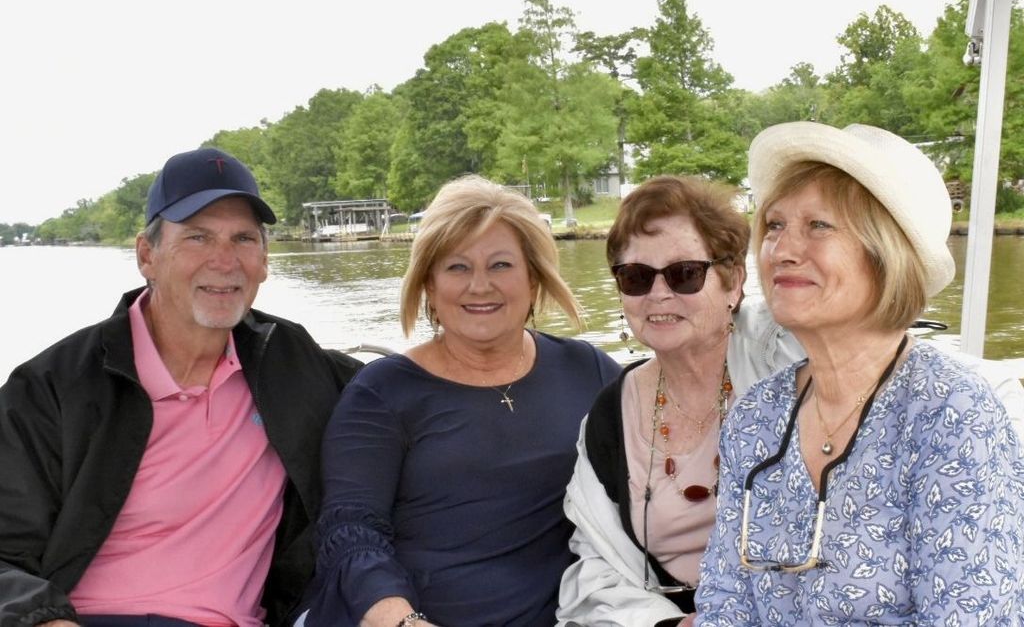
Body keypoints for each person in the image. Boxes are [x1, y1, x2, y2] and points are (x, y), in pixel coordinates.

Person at [0, 148, 361, 627]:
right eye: (197, 237)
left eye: (243, 239)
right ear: (146, 256)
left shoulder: (291, 362)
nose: (225, 261)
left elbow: (406, 393)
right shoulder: (54, 386)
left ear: (264, 260)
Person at [695, 122, 1024, 624]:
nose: (781, 250)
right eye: (775, 225)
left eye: (819, 226)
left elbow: (970, 615)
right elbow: (724, 599)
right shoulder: (757, 415)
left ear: (886, 254)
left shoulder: (952, 416)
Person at [303, 175, 622, 627]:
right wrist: (403, 621)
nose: (479, 285)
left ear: (533, 279)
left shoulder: (589, 371)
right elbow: (350, 531)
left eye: (500, 265)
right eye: (457, 267)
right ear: (429, 287)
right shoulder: (380, 393)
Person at [556, 176, 806, 627]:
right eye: (635, 277)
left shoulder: (786, 357)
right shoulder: (610, 417)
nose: (658, 294)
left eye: (685, 273)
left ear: (733, 283)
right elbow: (596, 566)